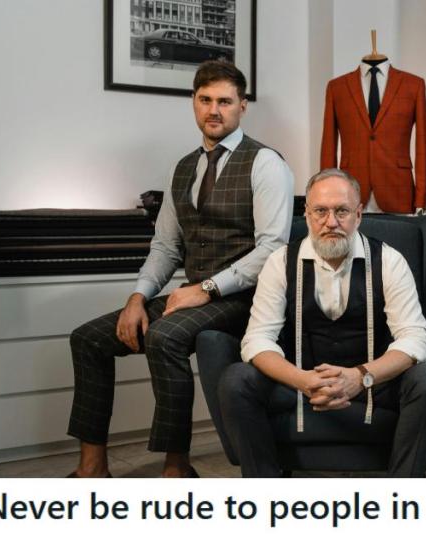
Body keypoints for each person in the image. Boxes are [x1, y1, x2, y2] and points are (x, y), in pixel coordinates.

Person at [66, 61, 294, 478]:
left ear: (242, 106)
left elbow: (272, 250)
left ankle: (177, 468)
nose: (214, 110)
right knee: (88, 339)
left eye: (225, 101)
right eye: (205, 100)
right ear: (193, 102)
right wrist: (137, 298)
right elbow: (166, 246)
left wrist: (206, 288)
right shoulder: (183, 168)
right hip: (194, 296)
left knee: (165, 336)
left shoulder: (266, 163)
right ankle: (92, 468)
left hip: (248, 299)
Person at [218, 169, 426, 477]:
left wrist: (360, 377)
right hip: (299, 382)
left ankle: (402, 492)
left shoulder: (389, 261)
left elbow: (414, 338)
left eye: (342, 211)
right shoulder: (280, 262)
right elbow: (258, 340)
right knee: (236, 379)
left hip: (371, 383)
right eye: (321, 211)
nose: (331, 222)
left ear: (358, 215)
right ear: (307, 215)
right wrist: (302, 380)